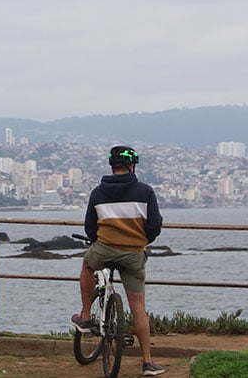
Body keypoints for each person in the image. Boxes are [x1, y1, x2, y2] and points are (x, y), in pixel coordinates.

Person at [71, 145, 165, 376]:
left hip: (104, 249)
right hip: (133, 254)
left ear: (113, 166)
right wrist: (141, 240)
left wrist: (99, 241)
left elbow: (90, 228)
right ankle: (147, 362)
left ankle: (85, 316)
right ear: (132, 166)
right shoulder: (145, 192)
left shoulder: (97, 192)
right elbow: (154, 226)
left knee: (86, 265)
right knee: (138, 308)